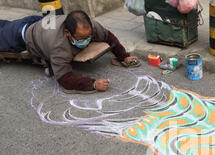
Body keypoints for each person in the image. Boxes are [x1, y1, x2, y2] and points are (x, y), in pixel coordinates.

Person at [0, 10, 140, 93]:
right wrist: (92, 84)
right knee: (4, 30)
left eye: (88, 37)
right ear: (68, 33)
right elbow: (64, 79)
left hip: (40, 22)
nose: (86, 40)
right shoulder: (58, 45)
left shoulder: (90, 26)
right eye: (81, 38)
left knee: (4, 24)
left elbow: (109, 37)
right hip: (21, 35)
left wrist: (124, 57)